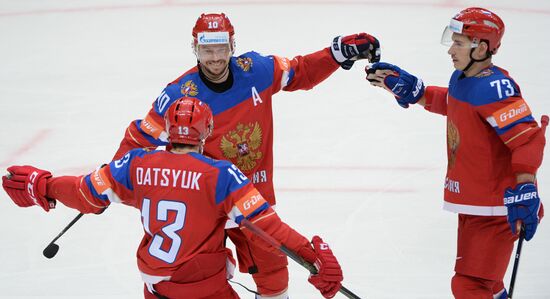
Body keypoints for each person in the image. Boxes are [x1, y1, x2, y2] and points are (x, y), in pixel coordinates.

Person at [112, 12, 380, 299]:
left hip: (250, 198)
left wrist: (336, 54)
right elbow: (139, 140)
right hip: (202, 203)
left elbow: (300, 72)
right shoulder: (179, 94)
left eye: (221, 48)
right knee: (195, 279)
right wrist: (112, 177)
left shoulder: (257, 70)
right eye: (206, 50)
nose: (214, 58)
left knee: (274, 274)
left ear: (232, 46)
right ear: (195, 49)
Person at [1, 97, 344, 299]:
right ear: (206, 132)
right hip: (203, 289)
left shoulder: (136, 163)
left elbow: (84, 194)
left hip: (157, 288)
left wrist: (41, 185)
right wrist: (313, 256)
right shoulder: (220, 175)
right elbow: (269, 230)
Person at [365, 7, 546, 299]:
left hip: (499, 207)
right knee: (488, 284)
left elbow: (526, 139)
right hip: (476, 203)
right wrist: (417, 92)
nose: (451, 49)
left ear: (482, 47)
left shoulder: (495, 88)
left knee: (470, 286)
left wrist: (526, 187)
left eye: (459, 42)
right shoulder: (462, 79)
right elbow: (454, 104)